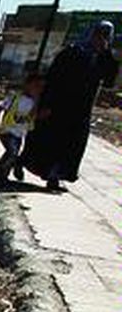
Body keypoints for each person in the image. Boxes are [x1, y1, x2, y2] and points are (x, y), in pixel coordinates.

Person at [22, 20, 120, 192]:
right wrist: (45, 104)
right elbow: (53, 80)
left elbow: (109, 82)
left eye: (105, 36)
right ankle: (20, 163)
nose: (101, 39)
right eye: (98, 35)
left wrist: (107, 54)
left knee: (72, 145)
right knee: (49, 140)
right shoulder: (71, 53)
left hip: (81, 111)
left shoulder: (101, 58)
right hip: (59, 106)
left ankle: (56, 176)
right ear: (91, 34)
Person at [0, 72, 43, 186]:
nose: (38, 90)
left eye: (40, 88)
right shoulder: (15, 98)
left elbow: (31, 117)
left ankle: (2, 176)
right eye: (36, 86)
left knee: (12, 154)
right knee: (11, 153)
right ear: (27, 85)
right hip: (7, 131)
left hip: (19, 134)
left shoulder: (35, 102)